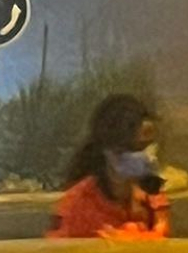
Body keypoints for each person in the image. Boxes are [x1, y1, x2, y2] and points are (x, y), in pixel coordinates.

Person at [49, 93, 170, 240]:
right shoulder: (77, 206)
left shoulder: (151, 195)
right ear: (109, 149)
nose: (146, 155)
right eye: (135, 147)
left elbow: (162, 241)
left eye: (150, 145)